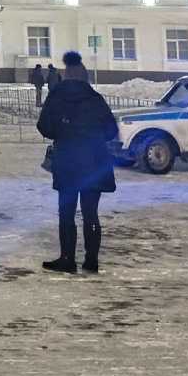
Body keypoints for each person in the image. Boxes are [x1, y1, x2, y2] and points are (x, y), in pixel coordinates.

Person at [37, 51, 118, 274]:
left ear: (65, 75)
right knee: (91, 212)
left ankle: (67, 259)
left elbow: (43, 126)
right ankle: (91, 261)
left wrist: (62, 132)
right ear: (84, 77)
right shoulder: (95, 99)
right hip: (95, 161)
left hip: (68, 162)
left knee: (66, 212)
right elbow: (111, 130)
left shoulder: (56, 97)